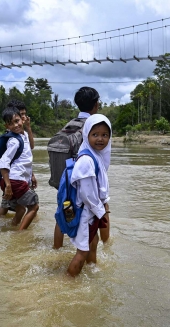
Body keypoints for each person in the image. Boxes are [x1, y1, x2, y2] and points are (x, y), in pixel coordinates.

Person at [53, 87, 111, 248]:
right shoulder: (95, 126)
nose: (99, 137)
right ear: (96, 104)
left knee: (62, 213)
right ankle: (106, 247)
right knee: (103, 209)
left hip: (64, 179)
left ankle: (56, 249)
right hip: (83, 183)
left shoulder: (68, 125)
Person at [67, 114, 112, 276]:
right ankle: (67, 283)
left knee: (93, 242)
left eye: (105, 135)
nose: (100, 139)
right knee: (82, 252)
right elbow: (87, 194)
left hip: (91, 212)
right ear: (86, 135)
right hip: (87, 213)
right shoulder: (87, 159)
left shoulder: (95, 155)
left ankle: (92, 270)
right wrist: (101, 211)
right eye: (95, 135)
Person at [0, 107, 39, 230]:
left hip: (14, 180)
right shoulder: (14, 141)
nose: (16, 125)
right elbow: (2, 163)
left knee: (20, 209)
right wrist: (8, 185)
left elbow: (29, 150)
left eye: (17, 121)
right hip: (15, 181)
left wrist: (31, 174)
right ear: (7, 126)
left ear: (22, 119)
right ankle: (21, 235)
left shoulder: (23, 135)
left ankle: (11, 231)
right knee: (34, 207)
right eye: (11, 124)